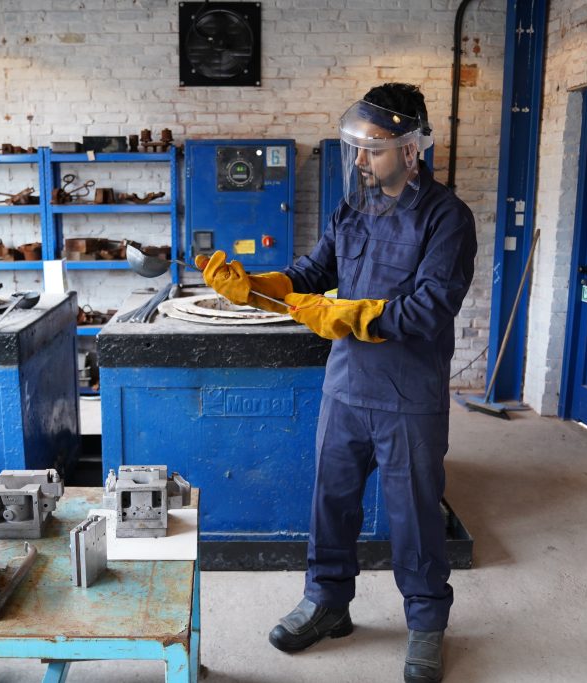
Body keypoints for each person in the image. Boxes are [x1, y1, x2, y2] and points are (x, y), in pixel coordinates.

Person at [197, 83, 477, 683]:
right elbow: (311, 273)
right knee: (331, 503)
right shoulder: (352, 210)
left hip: (407, 396)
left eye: (372, 149)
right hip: (346, 387)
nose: (359, 161)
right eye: (356, 148)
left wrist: (352, 314)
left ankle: (426, 623)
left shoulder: (447, 218)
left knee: (414, 516)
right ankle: (327, 603)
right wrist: (257, 287)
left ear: (411, 148)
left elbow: (431, 305)